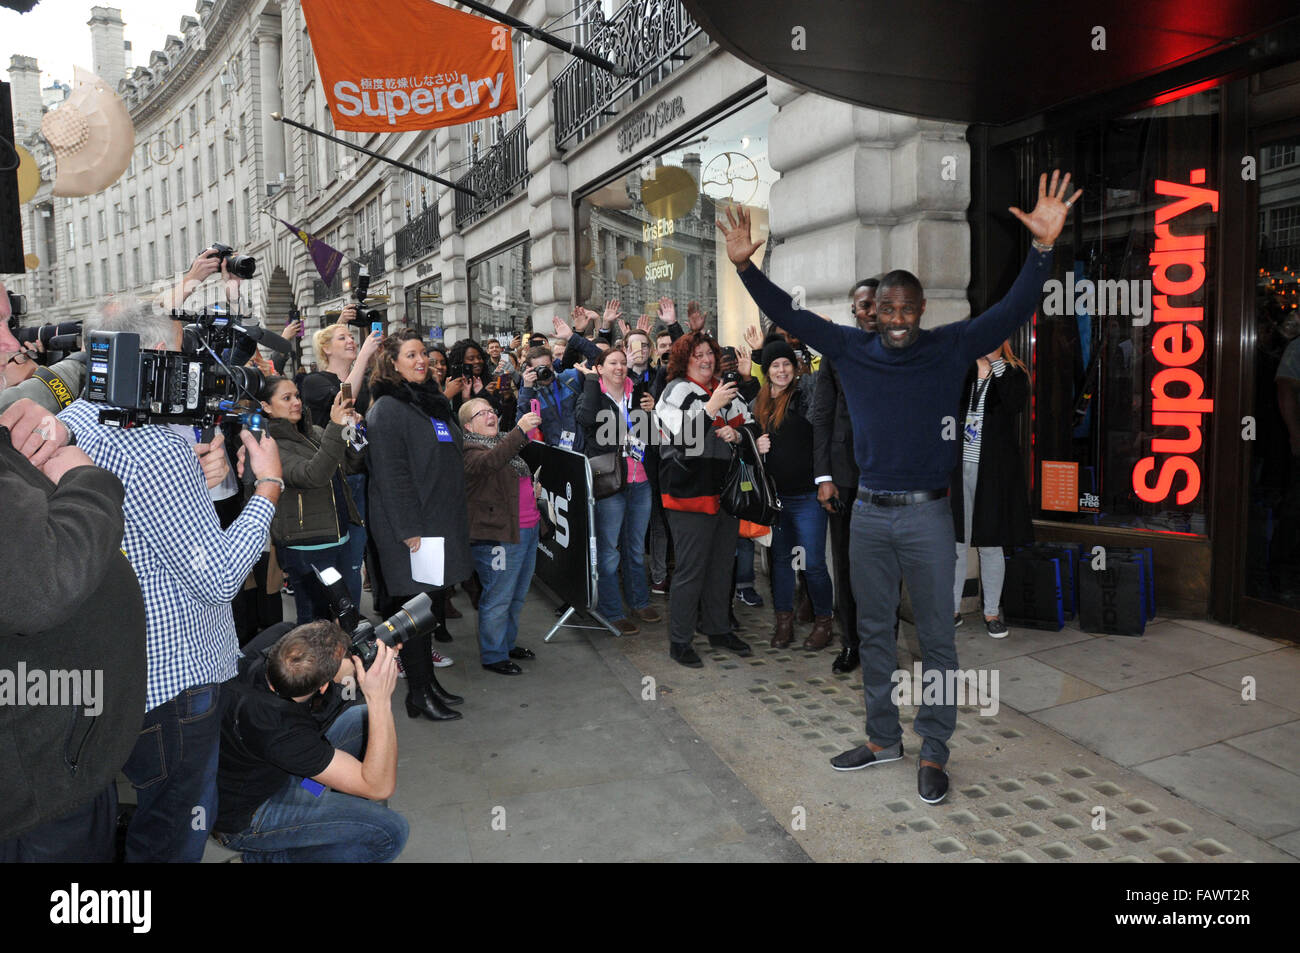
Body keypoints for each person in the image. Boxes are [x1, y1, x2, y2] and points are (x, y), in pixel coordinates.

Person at [721, 169, 1080, 804]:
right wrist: (746, 268)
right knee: (875, 633)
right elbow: (789, 313)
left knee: (937, 637)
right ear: (874, 311)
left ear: (921, 311)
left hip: (927, 518)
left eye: (906, 309)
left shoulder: (949, 346)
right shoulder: (849, 349)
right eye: (886, 308)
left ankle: (934, 748)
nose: (895, 319)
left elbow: (1012, 310)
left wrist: (1043, 250)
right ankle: (883, 738)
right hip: (867, 515)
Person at [6, 289, 287, 860]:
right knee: (171, 837)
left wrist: (211, 484)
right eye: (181, 354)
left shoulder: (67, 422)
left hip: (114, 681)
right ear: (155, 355)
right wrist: (267, 488)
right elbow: (221, 578)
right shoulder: (154, 444)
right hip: (174, 685)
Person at [0, 410, 147, 862]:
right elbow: (40, 591)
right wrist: (87, 480)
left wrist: (31, 437)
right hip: (40, 795)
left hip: (61, 760)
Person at [213, 621, 408, 862]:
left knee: (362, 721)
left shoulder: (278, 641)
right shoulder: (279, 729)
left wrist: (359, 664)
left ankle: (330, 805)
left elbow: (315, 719)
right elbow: (379, 787)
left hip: (277, 771)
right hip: (248, 816)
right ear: (324, 685)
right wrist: (380, 699)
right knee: (391, 832)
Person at [366, 330, 469, 722]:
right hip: (411, 529)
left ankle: (429, 685)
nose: (421, 359)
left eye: (423, 352)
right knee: (414, 613)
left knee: (427, 610)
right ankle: (419, 695)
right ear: (392, 362)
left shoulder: (428, 401)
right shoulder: (387, 409)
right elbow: (391, 477)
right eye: (411, 354)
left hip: (436, 521)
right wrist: (410, 531)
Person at [656, 331, 770, 666]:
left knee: (722, 567)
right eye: (698, 355)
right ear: (685, 360)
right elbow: (682, 439)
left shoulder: (725, 390)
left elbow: (752, 426)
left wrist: (739, 433)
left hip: (727, 494)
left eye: (710, 353)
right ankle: (680, 640)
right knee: (691, 570)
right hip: (689, 495)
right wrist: (710, 408)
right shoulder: (675, 391)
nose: (706, 360)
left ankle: (718, 628)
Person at [259, 376, 366, 622]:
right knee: (314, 624)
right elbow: (313, 475)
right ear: (266, 406)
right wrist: (336, 427)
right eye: (287, 398)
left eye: (297, 396)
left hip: (339, 536)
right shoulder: (270, 444)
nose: (296, 402)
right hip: (306, 547)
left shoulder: (315, 432)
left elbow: (355, 461)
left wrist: (353, 428)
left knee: (343, 616)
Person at [813, 278, 879, 674]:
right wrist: (823, 477)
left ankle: (882, 646)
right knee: (847, 564)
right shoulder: (837, 351)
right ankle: (851, 643)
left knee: (886, 569)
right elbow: (822, 416)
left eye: (875, 303)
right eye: (862, 305)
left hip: (887, 478)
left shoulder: (901, 349)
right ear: (854, 311)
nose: (869, 311)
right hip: (844, 479)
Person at [753, 339, 835, 649]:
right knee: (781, 563)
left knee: (813, 563)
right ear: (767, 371)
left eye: (786, 364)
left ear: (795, 366)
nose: (782, 370)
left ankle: (824, 622)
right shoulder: (758, 404)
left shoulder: (807, 393)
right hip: (776, 499)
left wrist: (817, 338)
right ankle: (783, 623)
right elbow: (746, 444)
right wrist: (756, 446)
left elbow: (826, 373)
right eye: (775, 365)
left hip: (808, 498)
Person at [575, 347, 662, 634]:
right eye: (612, 362)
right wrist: (590, 381)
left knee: (635, 547)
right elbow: (586, 420)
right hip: (608, 482)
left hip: (640, 480)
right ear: (600, 368)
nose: (619, 367)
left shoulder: (638, 394)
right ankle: (612, 610)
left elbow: (651, 435)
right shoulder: (592, 394)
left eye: (623, 362)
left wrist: (651, 413)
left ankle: (639, 601)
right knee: (609, 550)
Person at [951, 340, 1034, 637]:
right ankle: (952, 609)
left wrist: (996, 363)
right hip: (959, 468)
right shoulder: (963, 371)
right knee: (956, 542)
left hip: (993, 471)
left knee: (991, 542)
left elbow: (1014, 405)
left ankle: (991, 612)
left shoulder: (1012, 372)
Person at [460, 398, 545, 674]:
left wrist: (531, 489)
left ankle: (506, 644)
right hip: (499, 537)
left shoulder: (500, 443)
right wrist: (519, 431)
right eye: (481, 413)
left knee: (517, 594)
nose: (490, 415)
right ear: (468, 425)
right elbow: (490, 463)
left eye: (491, 410)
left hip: (527, 529)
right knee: (499, 596)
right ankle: (494, 655)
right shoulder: (469, 450)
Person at [516, 345, 583, 449]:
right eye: (540, 368)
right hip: (557, 452)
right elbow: (520, 429)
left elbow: (598, 360)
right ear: (530, 369)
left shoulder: (568, 378)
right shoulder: (530, 395)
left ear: (552, 362)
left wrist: (572, 338)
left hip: (584, 449)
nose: (545, 372)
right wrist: (527, 389)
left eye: (548, 367)